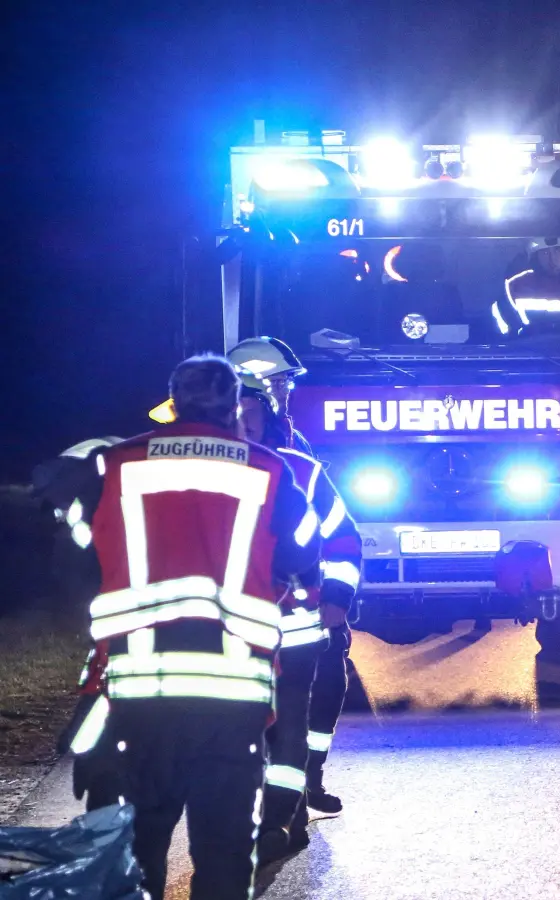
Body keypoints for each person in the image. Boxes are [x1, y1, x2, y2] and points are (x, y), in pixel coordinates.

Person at [85, 355, 322, 900]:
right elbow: (305, 553)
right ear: (235, 405)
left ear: (175, 401)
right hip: (232, 695)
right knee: (223, 848)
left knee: (136, 843)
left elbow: (81, 557)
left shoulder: (119, 463)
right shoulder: (268, 468)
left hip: (138, 690)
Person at [237, 378, 361, 863]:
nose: (244, 427)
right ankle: (262, 817)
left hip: (299, 623)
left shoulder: (301, 472)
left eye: (252, 418)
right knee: (248, 730)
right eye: (235, 418)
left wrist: (337, 598)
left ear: (269, 423)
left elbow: (343, 541)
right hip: (231, 631)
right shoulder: (205, 471)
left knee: (299, 721)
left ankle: (292, 807)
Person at [33, 437, 123, 812]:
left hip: (124, 613)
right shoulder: (83, 483)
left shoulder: (96, 483)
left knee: (107, 694)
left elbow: (88, 554)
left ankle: (93, 761)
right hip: (113, 609)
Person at [227, 336, 314, 455]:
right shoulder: (226, 444)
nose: (285, 393)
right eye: (275, 382)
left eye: (286, 382)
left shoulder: (295, 440)